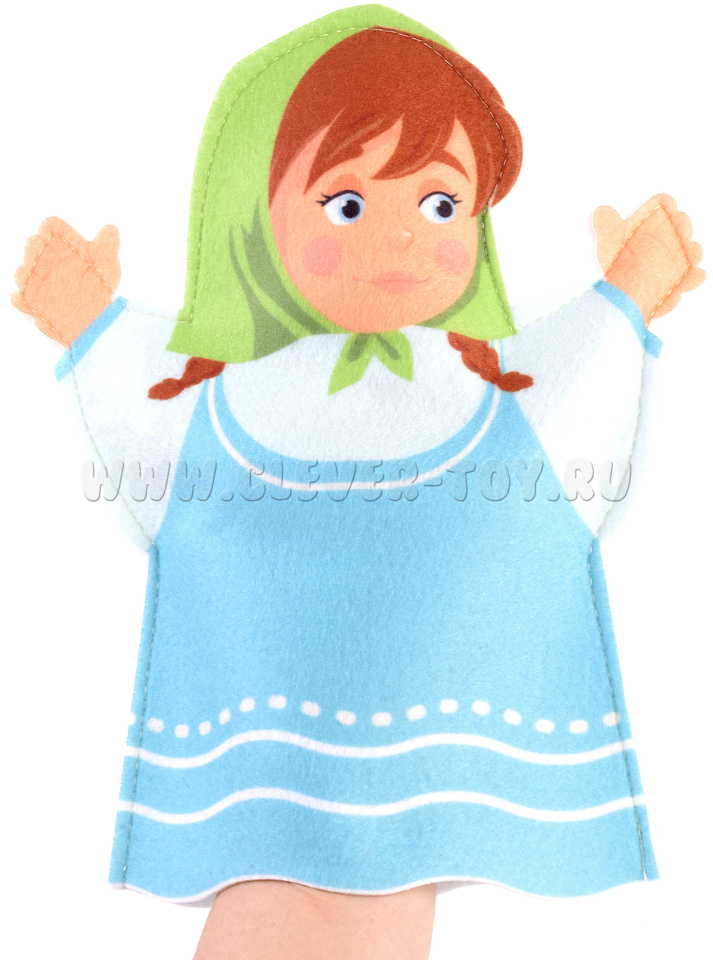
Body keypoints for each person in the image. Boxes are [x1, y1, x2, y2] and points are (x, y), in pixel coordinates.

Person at [11, 7, 704, 959]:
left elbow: (563, 388)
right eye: (345, 204)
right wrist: (89, 320)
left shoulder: (488, 387)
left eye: (441, 205)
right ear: (258, 215)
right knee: (307, 882)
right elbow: (156, 405)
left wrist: (624, 296)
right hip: (266, 752)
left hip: (444, 736)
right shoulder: (223, 398)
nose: (404, 238)